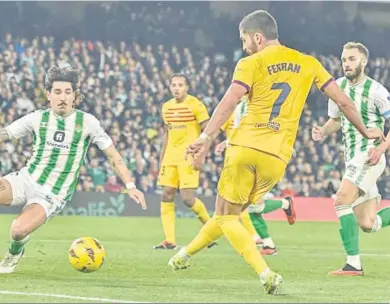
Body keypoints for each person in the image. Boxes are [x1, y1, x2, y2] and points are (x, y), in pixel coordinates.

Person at [168, 10, 383, 295]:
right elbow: (344, 102)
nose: (244, 46)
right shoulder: (309, 63)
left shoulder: (250, 62)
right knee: (234, 212)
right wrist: (367, 131)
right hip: (277, 158)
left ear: (258, 37)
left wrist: (207, 137)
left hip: (245, 147)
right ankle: (183, 257)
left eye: (245, 39)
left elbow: (230, 100)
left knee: (225, 215)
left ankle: (265, 273)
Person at [0, 66, 146, 274]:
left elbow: (114, 156)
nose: (63, 97)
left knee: (17, 230)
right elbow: (5, 134)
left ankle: (15, 252)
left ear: (75, 96)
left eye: (68, 92)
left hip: (52, 193)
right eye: (57, 92)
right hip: (26, 179)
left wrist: (131, 186)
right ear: (48, 94)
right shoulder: (37, 118)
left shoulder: (88, 122)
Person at [312, 42, 390, 276]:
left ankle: (353, 264)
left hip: (369, 155)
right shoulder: (337, 88)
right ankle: (354, 262)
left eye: (352, 59)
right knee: (368, 223)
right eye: (344, 59)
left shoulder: (377, 91)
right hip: (353, 158)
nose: (347, 63)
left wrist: (382, 148)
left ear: (364, 62)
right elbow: (336, 119)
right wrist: (323, 131)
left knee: (341, 200)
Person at [215, 96, 297, 256]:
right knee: (251, 207)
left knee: (253, 206)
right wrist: (227, 142)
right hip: (249, 158)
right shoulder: (239, 108)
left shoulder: (259, 105)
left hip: (264, 157)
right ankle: (268, 244)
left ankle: (284, 205)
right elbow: (239, 132)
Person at [154, 74, 214, 250]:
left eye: (180, 85)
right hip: (170, 157)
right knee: (166, 194)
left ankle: (211, 230)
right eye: (173, 85)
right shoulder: (166, 107)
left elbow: (208, 131)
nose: (176, 88)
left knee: (188, 198)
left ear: (187, 87)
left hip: (189, 156)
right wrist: (161, 158)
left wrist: (202, 155)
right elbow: (167, 133)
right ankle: (169, 240)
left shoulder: (195, 105)